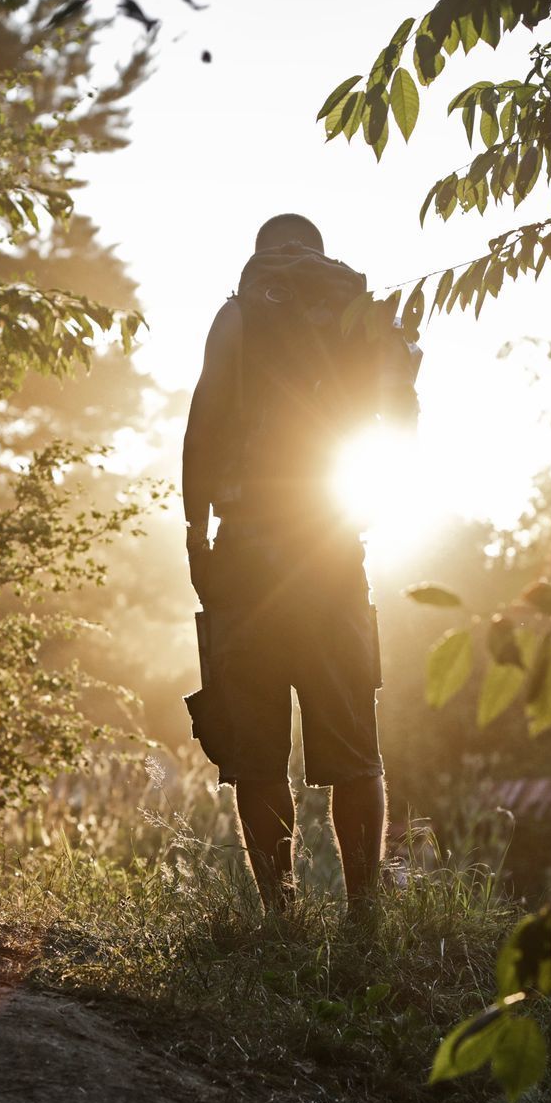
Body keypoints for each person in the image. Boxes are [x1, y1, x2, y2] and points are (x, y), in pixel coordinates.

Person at [181, 213, 422, 914]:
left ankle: (281, 913)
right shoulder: (357, 319)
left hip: (249, 554)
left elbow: (202, 427)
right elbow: (401, 415)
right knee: (356, 749)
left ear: (262, 261)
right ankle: (364, 914)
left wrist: (197, 535)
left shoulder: (237, 318)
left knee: (256, 748)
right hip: (332, 551)